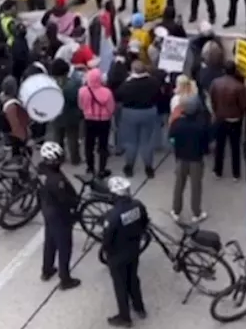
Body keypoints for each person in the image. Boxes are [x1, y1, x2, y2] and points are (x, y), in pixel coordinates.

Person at [101, 176, 149, 327]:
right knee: (133, 279)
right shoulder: (138, 205)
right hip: (134, 250)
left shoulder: (112, 216)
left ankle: (124, 317)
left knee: (120, 285)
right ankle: (139, 307)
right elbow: (145, 223)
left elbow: (107, 239)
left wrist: (107, 253)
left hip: (117, 255)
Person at [36, 142, 83, 290]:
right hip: (59, 214)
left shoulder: (41, 170)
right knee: (64, 246)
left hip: (47, 210)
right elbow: (65, 200)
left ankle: (47, 270)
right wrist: (75, 204)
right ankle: (65, 279)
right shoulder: (57, 180)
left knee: (50, 241)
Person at [168, 95, 212, 222]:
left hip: (181, 158)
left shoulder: (177, 123)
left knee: (179, 185)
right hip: (196, 160)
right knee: (196, 187)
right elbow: (206, 143)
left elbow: (171, 138)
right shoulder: (201, 125)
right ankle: (196, 213)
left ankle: (176, 210)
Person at [115, 59, 161, 179]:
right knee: (147, 141)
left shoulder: (127, 85)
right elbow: (159, 95)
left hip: (130, 113)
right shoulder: (153, 82)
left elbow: (118, 95)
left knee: (131, 141)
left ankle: (129, 166)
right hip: (148, 111)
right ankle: (148, 167)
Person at [210, 64, 246, 180]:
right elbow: (244, 104)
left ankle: (218, 171)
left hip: (220, 117)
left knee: (219, 146)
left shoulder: (215, 83)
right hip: (235, 119)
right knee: (235, 147)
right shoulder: (240, 87)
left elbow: (212, 99)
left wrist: (216, 111)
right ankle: (235, 173)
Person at [79, 68, 116, 177]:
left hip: (89, 120)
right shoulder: (107, 92)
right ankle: (101, 169)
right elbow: (111, 107)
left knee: (89, 145)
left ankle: (90, 168)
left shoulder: (82, 91)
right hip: (103, 121)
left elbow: (81, 105)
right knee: (103, 146)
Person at [49, 59, 84, 166]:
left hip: (56, 114)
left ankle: (59, 157)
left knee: (57, 136)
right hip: (71, 115)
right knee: (72, 137)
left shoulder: (51, 84)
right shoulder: (72, 85)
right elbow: (77, 99)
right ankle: (75, 159)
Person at [0, 76, 32, 157]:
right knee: (22, 158)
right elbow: (16, 126)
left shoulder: (2, 97)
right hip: (18, 139)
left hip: (10, 135)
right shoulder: (12, 105)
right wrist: (26, 140)